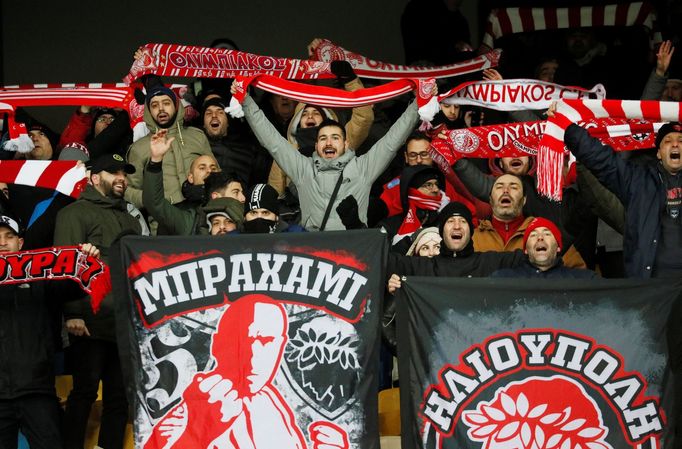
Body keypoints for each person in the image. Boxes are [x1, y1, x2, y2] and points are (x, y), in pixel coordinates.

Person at [144, 295, 348, 449]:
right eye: (243, 340)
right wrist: (199, 427)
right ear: (217, 345)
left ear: (280, 346)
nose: (254, 354)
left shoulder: (270, 400)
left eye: (266, 341)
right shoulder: (194, 407)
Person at [234, 80, 424, 231]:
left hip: (354, 252)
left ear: (346, 143)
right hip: (316, 254)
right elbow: (272, 141)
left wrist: (418, 103)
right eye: (323, 138)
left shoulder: (362, 168)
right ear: (316, 145)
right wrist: (246, 101)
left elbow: (392, 141)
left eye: (335, 138)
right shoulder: (303, 169)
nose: (329, 142)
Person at [53, 153, 143, 449]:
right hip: (89, 321)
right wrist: (71, 314)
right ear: (94, 178)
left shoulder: (130, 219)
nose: (121, 178)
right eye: (113, 172)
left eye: (124, 173)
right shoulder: (74, 213)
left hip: (123, 323)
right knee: (84, 392)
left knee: (120, 398)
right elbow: (65, 267)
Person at [0, 214, 98, 449]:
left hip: (38, 390)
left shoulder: (41, 278)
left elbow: (76, 286)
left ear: (20, 243)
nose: (2, 243)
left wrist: (85, 260)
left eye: (9, 236)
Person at [564, 120, 682, 278]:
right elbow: (602, 159)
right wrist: (568, 127)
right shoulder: (637, 180)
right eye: (668, 141)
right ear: (659, 153)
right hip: (650, 288)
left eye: (681, 141)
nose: (675, 145)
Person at [126, 85, 214, 208]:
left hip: (202, 211)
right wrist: (154, 201)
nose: (161, 109)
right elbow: (128, 189)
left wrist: (206, 191)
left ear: (176, 106)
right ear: (149, 111)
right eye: (154, 105)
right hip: (163, 221)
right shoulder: (139, 148)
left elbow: (216, 173)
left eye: (166, 103)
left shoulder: (197, 136)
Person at [472, 174, 586, 268]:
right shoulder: (473, 239)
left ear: (524, 200)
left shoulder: (548, 234)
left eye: (514, 187)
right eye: (499, 187)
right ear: (490, 199)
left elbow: (579, 274)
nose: (506, 190)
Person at [144, 130, 245, 236]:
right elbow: (155, 203)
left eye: (213, 168)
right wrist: (155, 161)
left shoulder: (246, 215)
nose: (209, 171)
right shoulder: (190, 218)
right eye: (202, 168)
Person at [492, 217, 597, 278]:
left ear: (558, 248)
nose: (540, 238)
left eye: (547, 234)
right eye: (533, 235)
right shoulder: (503, 278)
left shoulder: (583, 279)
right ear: (525, 250)